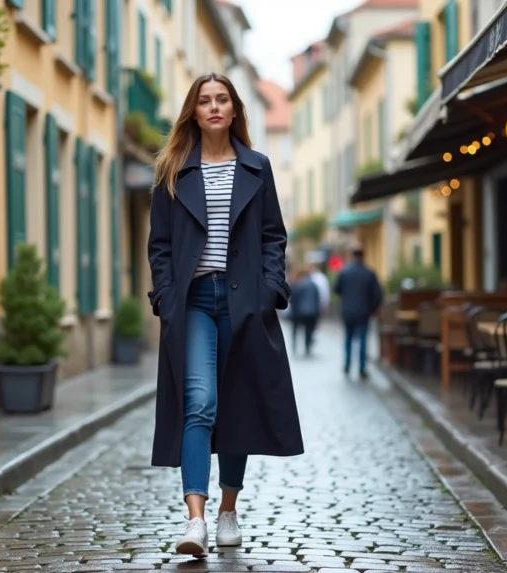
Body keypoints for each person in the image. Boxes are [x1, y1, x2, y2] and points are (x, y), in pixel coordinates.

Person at [146, 73, 304, 558]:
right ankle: (195, 521)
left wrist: (270, 291)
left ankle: (228, 510)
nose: (213, 107)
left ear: (235, 109)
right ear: (193, 111)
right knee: (199, 401)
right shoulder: (172, 169)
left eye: (222, 100)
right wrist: (166, 298)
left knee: (235, 402)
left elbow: (273, 236)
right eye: (204, 100)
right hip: (193, 301)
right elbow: (161, 245)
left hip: (244, 302)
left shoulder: (257, 166)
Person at [334, 246, 383, 380]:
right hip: (363, 312)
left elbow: (336, 289)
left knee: (348, 338)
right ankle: (362, 368)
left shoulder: (344, 272)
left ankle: (347, 364)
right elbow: (378, 294)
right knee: (362, 340)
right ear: (363, 256)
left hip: (348, 312)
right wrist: (372, 308)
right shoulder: (369, 273)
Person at [288, 268, 321, 355]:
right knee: (308, 330)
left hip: (299, 312)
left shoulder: (298, 285)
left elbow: (294, 299)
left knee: (295, 330)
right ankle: (307, 347)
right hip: (312, 312)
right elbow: (317, 300)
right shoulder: (314, 285)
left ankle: (294, 346)